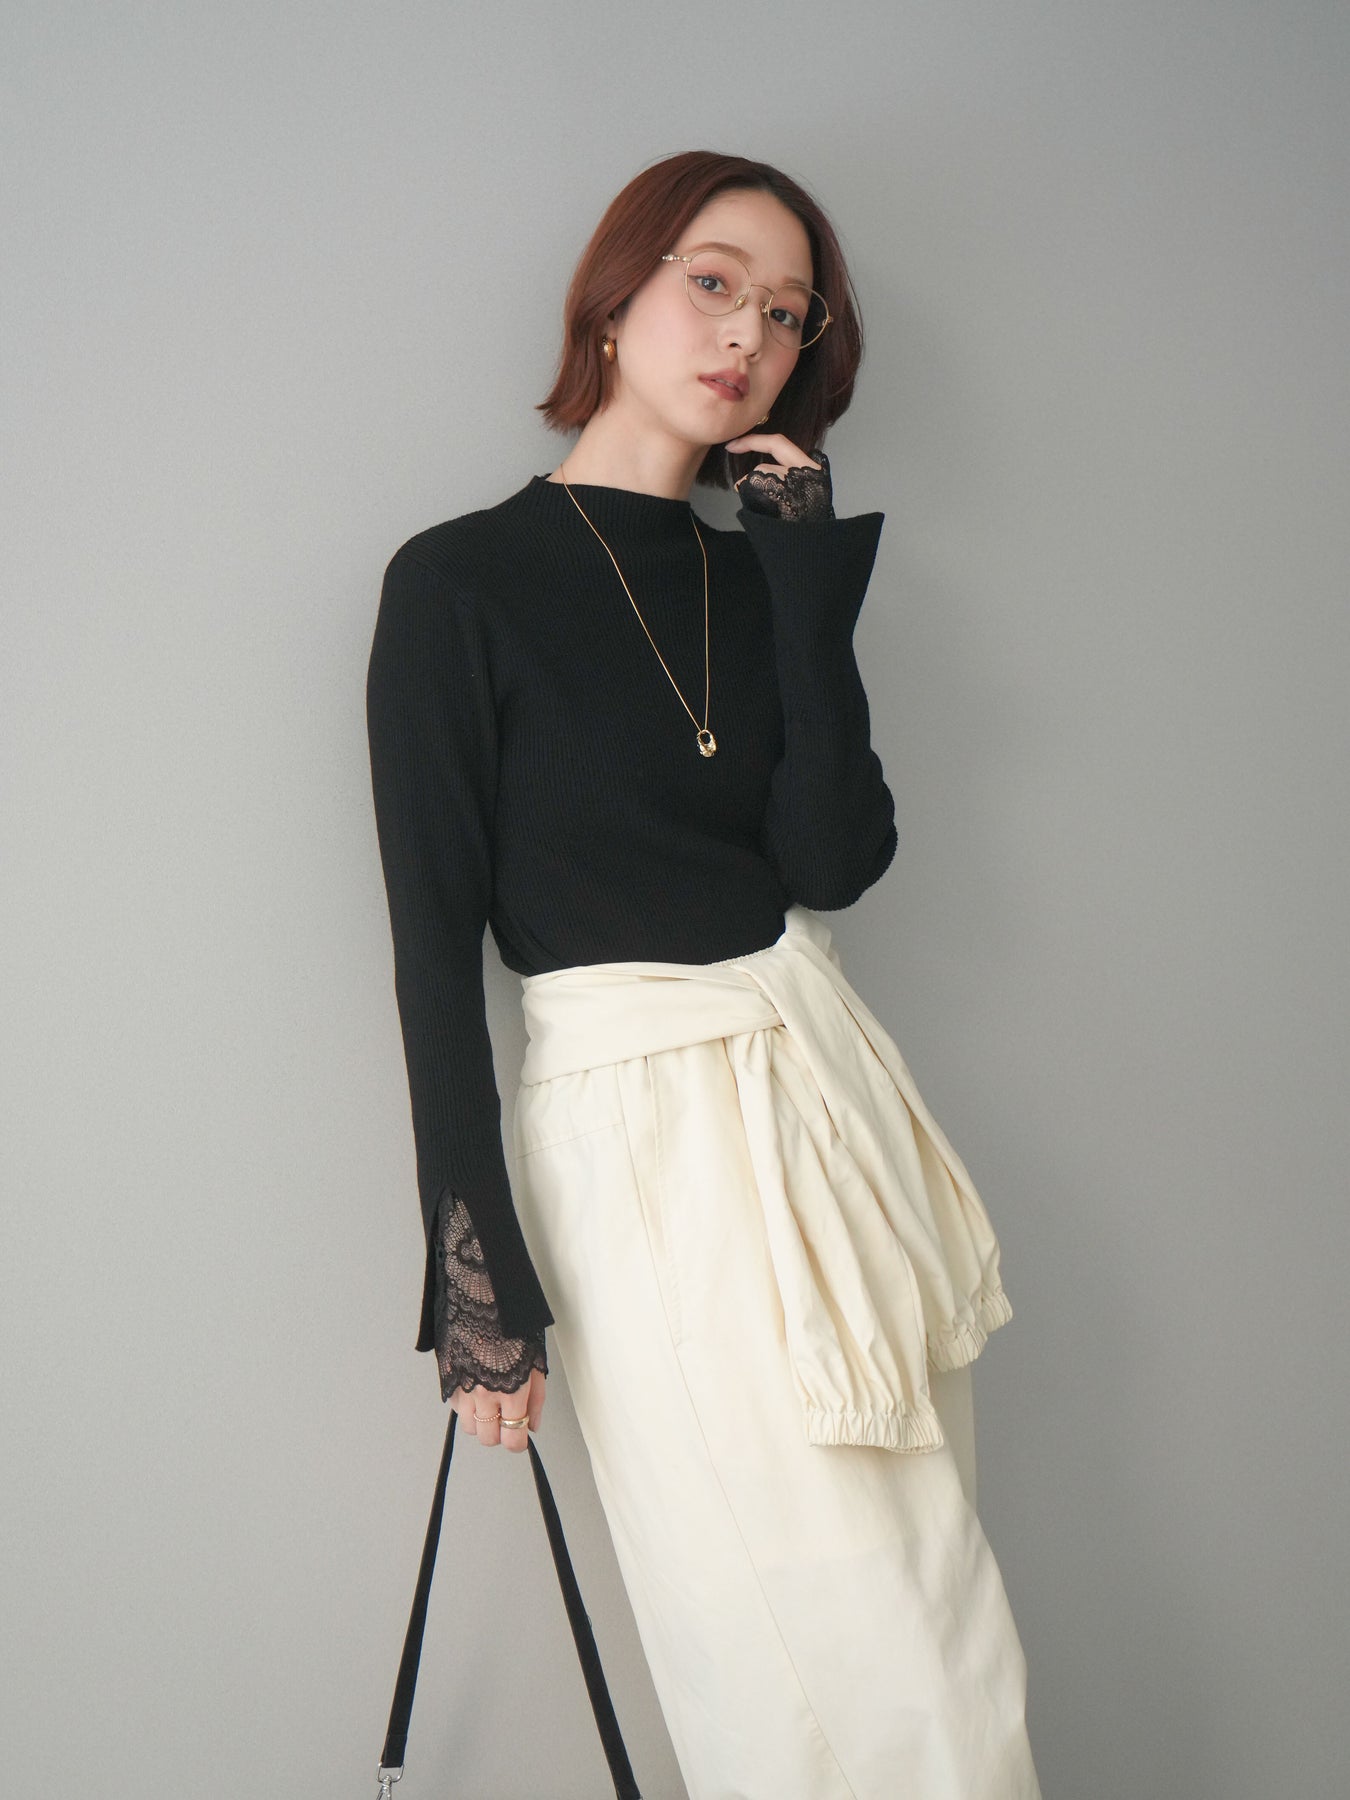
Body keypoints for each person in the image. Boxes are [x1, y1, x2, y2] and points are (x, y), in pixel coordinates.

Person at [366, 149, 1042, 1800]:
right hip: (643, 1140)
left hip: (819, 1103)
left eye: (787, 314)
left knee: (932, 1630)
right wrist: (476, 1278)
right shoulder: (457, 582)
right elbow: (429, 947)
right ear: (615, 299)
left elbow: (832, 863)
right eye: (715, 283)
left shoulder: (759, 575)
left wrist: (802, 582)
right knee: (810, 1654)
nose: (749, 333)